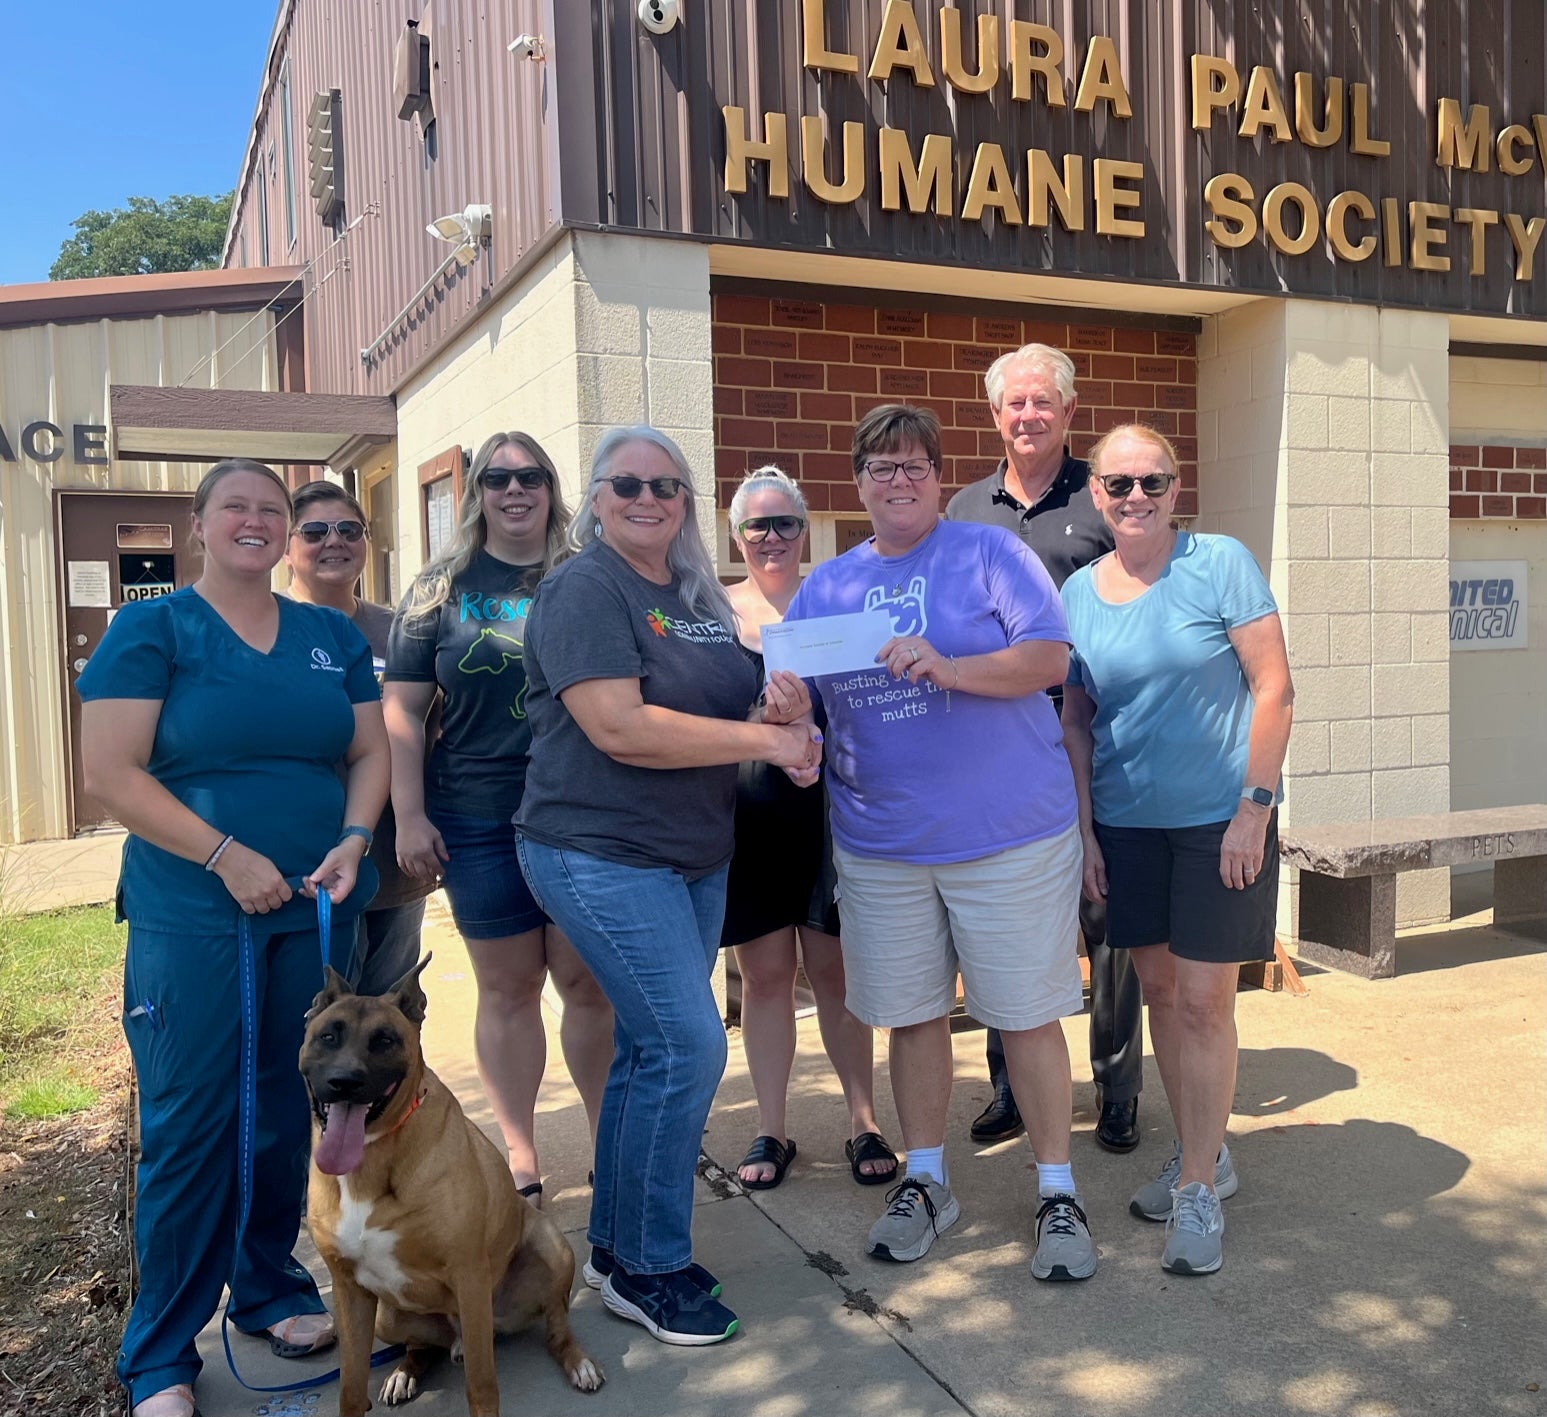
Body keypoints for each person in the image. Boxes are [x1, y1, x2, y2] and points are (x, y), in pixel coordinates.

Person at [77, 459, 390, 1417]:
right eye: (235, 508)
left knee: (285, 1111)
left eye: (270, 510)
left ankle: (266, 1288)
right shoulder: (151, 629)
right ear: (200, 524)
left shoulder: (328, 634)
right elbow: (110, 772)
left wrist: (352, 836)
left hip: (313, 911)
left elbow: (369, 749)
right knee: (189, 1125)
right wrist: (223, 855)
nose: (254, 522)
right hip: (196, 919)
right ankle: (162, 1353)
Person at [515, 426, 822, 1345]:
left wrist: (777, 708)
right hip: (598, 848)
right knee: (688, 1046)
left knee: (654, 1053)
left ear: (687, 502)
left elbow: (723, 700)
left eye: (668, 485)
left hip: (692, 852)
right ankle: (650, 1266)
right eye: (627, 483)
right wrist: (766, 744)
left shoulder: (688, 593)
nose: (648, 497)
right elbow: (619, 727)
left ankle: (616, 1250)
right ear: (596, 500)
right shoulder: (584, 585)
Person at [784, 403, 1096, 1280]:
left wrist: (948, 666)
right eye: (881, 467)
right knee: (912, 1013)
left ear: (936, 476)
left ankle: (1056, 1190)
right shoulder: (828, 586)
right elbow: (800, 699)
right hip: (881, 844)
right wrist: (785, 720)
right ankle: (925, 1179)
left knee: (1026, 1016)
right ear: (857, 484)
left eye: (916, 465)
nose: (900, 480)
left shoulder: (987, 552)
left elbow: (1047, 659)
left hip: (1008, 837)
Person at [1060, 424, 1294, 1276]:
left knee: (1203, 1002)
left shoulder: (1219, 561)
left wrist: (1253, 810)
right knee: (1159, 990)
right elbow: (1076, 719)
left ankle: (1197, 1183)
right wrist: (1084, 830)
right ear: (1095, 493)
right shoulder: (1079, 593)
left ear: (1174, 484)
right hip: (1125, 825)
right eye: (1118, 485)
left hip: (1216, 822)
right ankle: (1209, 1151)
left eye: (1151, 482)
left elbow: (1273, 686)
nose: (1135, 498)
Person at [383, 431, 612, 1205]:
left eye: (531, 476)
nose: (516, 490)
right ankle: (519, 1156)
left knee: (587, 985)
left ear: (552, 487)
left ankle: (605, 1140)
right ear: (477, 492)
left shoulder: (590, 573)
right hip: (477, 815)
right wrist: (408, 814)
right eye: (497, 477)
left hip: (581, 812)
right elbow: (403, 711)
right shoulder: (438, 587)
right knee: (509, 988)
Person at [945, 342, 1143, 1155]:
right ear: (993, 415)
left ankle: (1117, 1088)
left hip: (1089, 735)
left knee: (1107, 919)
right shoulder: (961, 509)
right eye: (1012, 403)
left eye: (1041, 401)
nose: (1026, 415)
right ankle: (1009, 1087)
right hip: (994, 746)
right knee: (1003, 916)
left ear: (1067, 410)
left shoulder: (1102, 500)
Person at [721, 466, 896, 1191]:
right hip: (750, 819)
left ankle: (864, 1120)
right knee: (764, 979)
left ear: (805, 531)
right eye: (757, 525)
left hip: (830, 818)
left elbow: (866, 708)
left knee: (836, 975)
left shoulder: (834, 607)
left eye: (785, 522)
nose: (771, 537)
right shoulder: (711, 612)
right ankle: (771, 1124)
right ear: (737, 535)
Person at [284, 479, 434, 995]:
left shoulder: (403, 631)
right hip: (304, 862)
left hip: (395, 859)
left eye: (350, 529)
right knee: (317, 1021)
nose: (335, 541)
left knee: (389, 1022)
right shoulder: (266, 631)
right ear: (287, 546)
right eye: (315, 531)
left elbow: (431, 728)